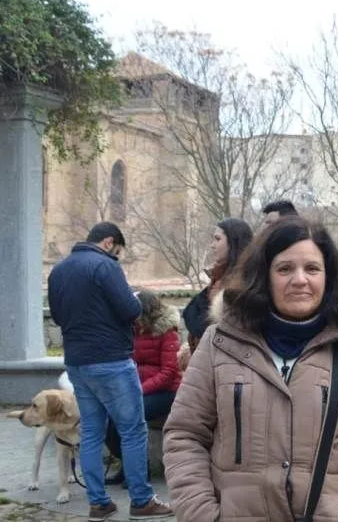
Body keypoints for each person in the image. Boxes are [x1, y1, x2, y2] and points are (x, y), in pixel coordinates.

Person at [163, 217, 338, 522]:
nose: (300, 280)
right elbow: (185, 434)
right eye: (285, 269)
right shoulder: (220, 343)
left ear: (328, 277)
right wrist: (201, 514)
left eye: (312, 269)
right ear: (264, 275)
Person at [47, 222, 173, 520]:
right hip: (111, 361)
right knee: (133, 430)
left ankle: (99, 503)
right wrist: (131, 298)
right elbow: (132, 310)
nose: (116, 256)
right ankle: (142, 501)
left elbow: (58, 317)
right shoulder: (106, 266)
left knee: (92, 431)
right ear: (108, 242)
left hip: (77, 362)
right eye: (117, 251)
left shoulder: (58, 271)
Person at [104, 289, 182, 487]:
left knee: (130, 415)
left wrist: (139, 389)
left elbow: (169, 373)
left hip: (167, 392)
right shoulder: (133, 330)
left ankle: (140, 471)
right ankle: (126, 466)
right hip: (137, 388)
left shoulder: (168, 332)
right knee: (108, 420)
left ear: (146, 311)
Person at [179, 218, 253, 367]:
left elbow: (210, 328)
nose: (212, 245)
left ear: (233, 242)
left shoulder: (242, 283)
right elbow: (191, 315)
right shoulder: (218, 278)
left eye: (217, 239)